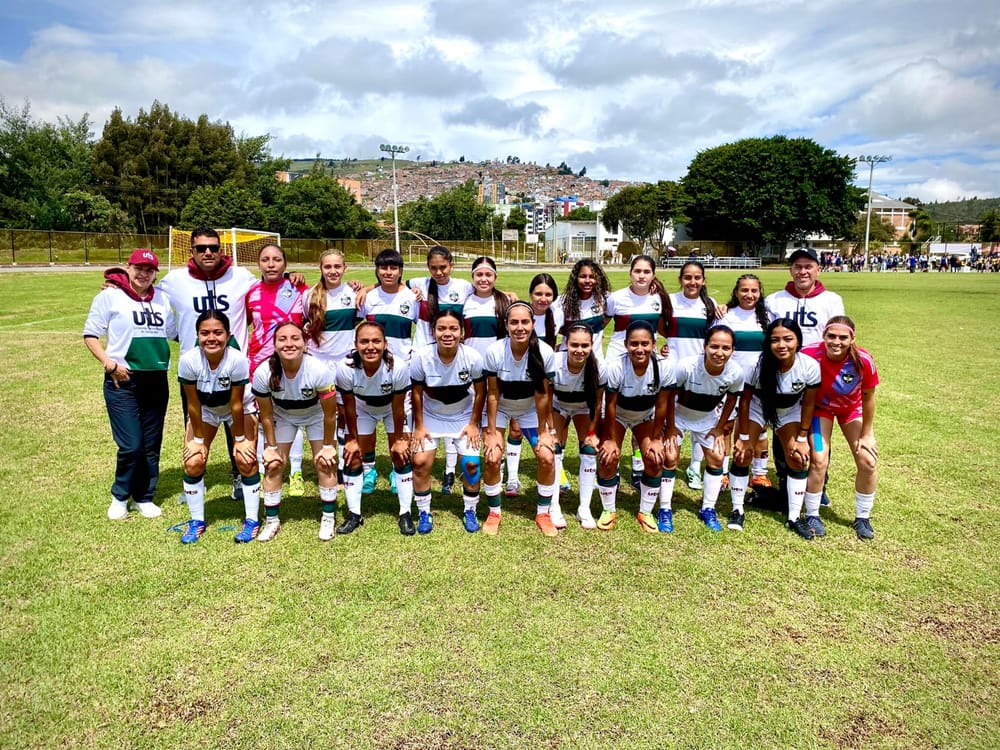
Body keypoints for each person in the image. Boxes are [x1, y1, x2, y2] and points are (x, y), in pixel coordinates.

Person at [158, 227, 260, 502]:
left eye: (213, 248)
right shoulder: (175, 280)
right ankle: (196, 480)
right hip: (195, 369)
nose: (208, 253)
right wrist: (117, 283)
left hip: (234, 367)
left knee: (237, 422)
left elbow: (268, 289)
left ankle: (241, 476)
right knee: (194, 421)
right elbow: (145, 290)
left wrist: (293, 280)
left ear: (221, 249)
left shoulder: (240, 276)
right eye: (201, 248)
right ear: (191, 251)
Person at [84, 249, 176, 520]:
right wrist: (109, 363)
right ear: (128, 267)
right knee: (131, 444)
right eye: (139, 268)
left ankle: (145, 496)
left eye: (149, 270)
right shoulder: (109, 296)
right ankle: (120, 495)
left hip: (156, 379)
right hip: (122, 379)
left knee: (151, 442)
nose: (143, 274)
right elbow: (90, 335)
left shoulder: (162, 298)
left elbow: (171, 333)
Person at [764, 247, 845, 504]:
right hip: (783, 374)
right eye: (798, 266)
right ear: (791, 270)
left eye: (808, 266)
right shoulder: (775, 300)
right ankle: (786, 480)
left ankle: (819, 485)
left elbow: (838, 337)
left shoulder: (831, 300)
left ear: (818, 269)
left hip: (818, 376)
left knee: (816, 429)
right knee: (782, 427)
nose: (803, 271)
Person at [176, 310, 260, 543]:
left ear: (228, 334)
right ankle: (196, 521)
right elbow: (192, 404)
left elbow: (235, 403)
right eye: (205, 333)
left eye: (217, 332)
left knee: (246, 459)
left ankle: (252, 520)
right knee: (193, 461)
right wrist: (199, 442)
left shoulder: (237, 360)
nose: (211, 338)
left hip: (239, 410)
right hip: (206, 410)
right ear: (197, 335)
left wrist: (241, 439)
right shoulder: (188, 360)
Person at [734, 320, 821, 540]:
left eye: (788, 339)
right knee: (742, 454)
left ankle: (793, 517)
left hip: (788, 411)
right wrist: (744, 437)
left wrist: (802, 437)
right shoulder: (755, 364)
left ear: (798, 341)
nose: (781, 345)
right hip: (757, 408)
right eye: (775, 340)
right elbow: (744, 402)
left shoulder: (809, 366)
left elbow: (809, 404)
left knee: (799, 459)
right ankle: (737, 510)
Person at [251, 322, 338, 542]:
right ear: (274, 345)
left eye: (295, 338)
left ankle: (328, 517)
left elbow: (329, 414)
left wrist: (328, 447)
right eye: (282, 339)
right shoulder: (264, 372)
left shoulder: (318, 370)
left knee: (324, 463)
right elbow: (267, 415)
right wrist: (270, 447)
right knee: (273, 464)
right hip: (284, 416)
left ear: (304, 342)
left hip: (316, 415)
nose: (289, 344)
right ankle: (272, 522)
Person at [482, 302, 558, 536]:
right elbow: (493, 394)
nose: (519, 327)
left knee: (546, 456)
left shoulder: (544, 352)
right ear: (506, 325)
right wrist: (492, 431)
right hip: (502, 408)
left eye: (525, 321)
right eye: (514, 322)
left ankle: (543, 512)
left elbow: (543, 395)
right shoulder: (495, 351)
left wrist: (545, 430)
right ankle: (494, 512)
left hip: (529, 410)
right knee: (493, 457)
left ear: (533, 324)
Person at [802, 317, 880, 540]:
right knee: (818, 459)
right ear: (824, 336)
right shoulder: (809, 354)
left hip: (850, 410)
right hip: (820, 410)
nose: (836, 341)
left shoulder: (863, 360)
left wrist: (867, 433)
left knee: (868, 461)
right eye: (831, 336)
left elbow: (868, 397)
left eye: (843, 337)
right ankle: (813, 514)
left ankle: (862, 518)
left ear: (852, 339)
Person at [410, 310, 487, 534]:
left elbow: (481, 392)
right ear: (433, 332)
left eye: (453, 328)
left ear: (462, 332)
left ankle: (470, 509)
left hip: (462, 417)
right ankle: (424, 512)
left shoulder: (472, 357)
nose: (447, 333)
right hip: (431, 417)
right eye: (441, 328)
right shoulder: (422, 357)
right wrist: (420, 426)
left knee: (471, 465)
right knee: (421, 463)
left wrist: (473, 423)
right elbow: (416, 393)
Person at [598, 320, 676, 532]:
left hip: (645, 416)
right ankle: (608, 509)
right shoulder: (616, 367)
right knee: (608, 458)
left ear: (653, 343)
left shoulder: (664, 367)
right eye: (634, 344)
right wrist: (611, 440)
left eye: (645, 343)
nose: (639, 349)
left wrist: (658, 439)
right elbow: (610, 405)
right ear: (625, 344)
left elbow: (662, 405)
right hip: (618, 416)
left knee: (655, 457)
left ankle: (646, 511)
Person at [336, 322, 413, 535]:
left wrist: (399, 439)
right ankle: (354, 514)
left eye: (376, 341)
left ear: (385, 344)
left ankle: (405, 513)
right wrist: (351, 439)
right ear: (356, 344)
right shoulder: (345, 368)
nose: (371, 347)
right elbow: (348, 407)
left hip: (392, 408)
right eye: (364, 341)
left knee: (401, 454)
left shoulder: (397, 366)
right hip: (363, 408)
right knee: (353, 456)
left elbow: (398, 408)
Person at [407, 246, 473, 494]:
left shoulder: (463, 287)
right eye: (433, 268)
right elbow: (389, 285)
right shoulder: (418, 283)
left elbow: (487, 294)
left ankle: (449, 470)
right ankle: (417, 463)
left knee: (454, 409)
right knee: (427, 409)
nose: (438, 272)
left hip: (452, 356)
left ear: (452, 265)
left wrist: (506, 293)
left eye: (442, 267)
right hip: (425, 358)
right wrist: (364, 289)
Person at [604, 255, 673, 488]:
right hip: (619, 357)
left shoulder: (658, 299)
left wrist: (667, 345)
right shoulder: (616, 298)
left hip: (646, 358)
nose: (641, 275)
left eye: (646, 271)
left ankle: (637, 464)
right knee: (619, 406)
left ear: (653, 274)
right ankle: (609, 456)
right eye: (637, 271)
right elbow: (599, 325)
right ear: (630, 273)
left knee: (643, 407)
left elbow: (664, 328)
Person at [666, 326, 744, 532]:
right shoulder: (686, 366)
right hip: (679, 416)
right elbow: (668, 396)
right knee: (670, 456)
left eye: (726, 348)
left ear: (733, 350)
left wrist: (719, 428)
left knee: (718, 458)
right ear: (705, 347)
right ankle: (665, 509)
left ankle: (708, 508)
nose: (719, 352)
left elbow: (733, 398)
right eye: (714, 346)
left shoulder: (735, 372)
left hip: (707, 418)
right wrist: (671, 425)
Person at [246, 244, 310, 496]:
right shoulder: (250, 292)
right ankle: (266, 470)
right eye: (265, 260)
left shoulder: (299, 289)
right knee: (265, 419)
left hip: (292, 363)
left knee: (291, 417)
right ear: (259, 264)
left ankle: (295, 472)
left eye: (276, 260)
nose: (270, 264)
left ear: (285, 263)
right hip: (259, 363)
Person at [356, 249, 419, 493]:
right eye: (384, 268)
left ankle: (397, 469)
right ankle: (369, 469)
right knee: (367, 424)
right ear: (377, 270)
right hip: (371, 368)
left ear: (401, 270)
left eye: (393, 268)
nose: (388, 272)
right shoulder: (368, 297)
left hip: (401, 370)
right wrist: (365, 288)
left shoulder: (413, 298)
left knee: (398, 422)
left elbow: (423, 329)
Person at [668, 260, 720, 492]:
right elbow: (662, 327)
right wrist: (666, 346)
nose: (692, 281)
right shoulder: (669, 301)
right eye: (687, 277)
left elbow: (718, 336)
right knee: (674, 415)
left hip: (702, 369)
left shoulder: (710, 304)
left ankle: (695, 467)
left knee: (700, 418)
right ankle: (664, 460)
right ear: (680, 280)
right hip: (675, 366)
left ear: (704, 280)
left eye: (697, 277)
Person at [719, 274, 773, 490]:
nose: (749, 295)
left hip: (760, 384)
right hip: (731, 381)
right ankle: (721, 472)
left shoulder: (769, 316)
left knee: (760, 429)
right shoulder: (726, 316)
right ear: (736, 292)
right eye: (744, 290)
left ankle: (759, 473)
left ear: (760, 293)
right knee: (726, 427)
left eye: (754, 291)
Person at [550, 323, 607, 529]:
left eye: (585, 345)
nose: (579, 350)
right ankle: (554, 505)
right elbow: (546, 399)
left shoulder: (599, 367)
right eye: (574, 345)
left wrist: (592, 432)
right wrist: (552, 430)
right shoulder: (554, 362)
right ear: (566, 343)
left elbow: (597, 403)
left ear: (592, 345)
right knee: (554, 449)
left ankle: (584, 507)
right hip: (558, 406)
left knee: (589, 450)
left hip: (583, 408)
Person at [557, 258, 612, 355]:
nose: (587, 280)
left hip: (596, 361)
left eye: (592, 277)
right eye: (583, 276)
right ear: (575, 278)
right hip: (568, 358)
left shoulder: (605, 298)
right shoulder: (562, 302)